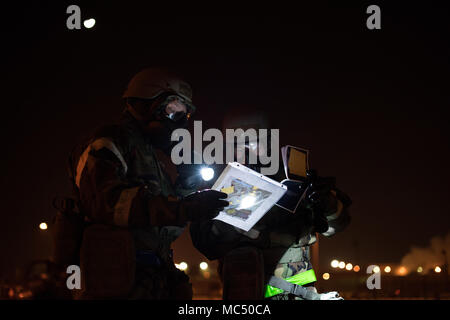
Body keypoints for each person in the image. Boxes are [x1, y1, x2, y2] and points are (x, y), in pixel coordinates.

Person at [61, 68, 228, 299]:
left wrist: (188, 187)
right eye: (172, 111)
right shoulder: (110, 141)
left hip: (149, 278)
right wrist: (183, 208)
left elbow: (164, 228)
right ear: (142, 104)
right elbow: (106, 203)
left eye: (184, 115)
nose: (178, 123)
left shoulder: (150, 156)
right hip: (114, 277)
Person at [189, 109, 352, 300]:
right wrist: (229, 223)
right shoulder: (219, 188)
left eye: (253, 143)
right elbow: (204, 243)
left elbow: (337, 225)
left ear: (268, 143)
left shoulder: (295, 179)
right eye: (238, 146)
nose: (247, 151)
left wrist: (327, 204)